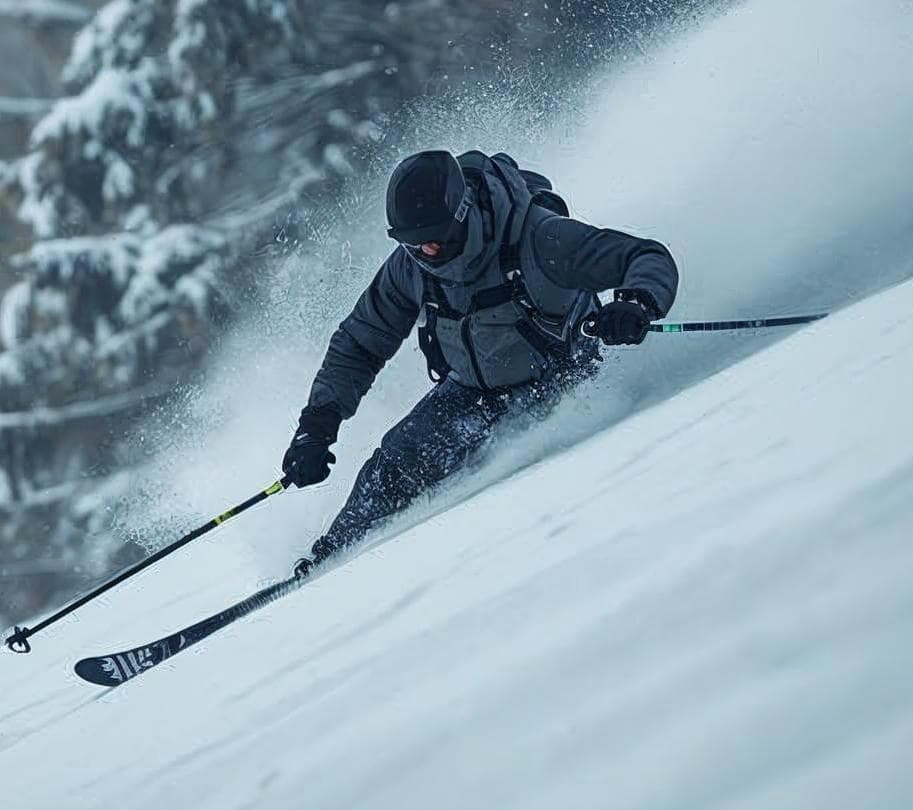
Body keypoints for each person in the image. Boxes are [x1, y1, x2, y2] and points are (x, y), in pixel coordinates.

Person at [275, 148, 677, 576]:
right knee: (395, 463)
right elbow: (360, 342)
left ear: (464, 213)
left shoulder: (540, 239)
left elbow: (645, 256)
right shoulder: (411, 266)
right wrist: (317, 426)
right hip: (473, 391)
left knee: (504, 474)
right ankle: (329, 558)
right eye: (413, 242)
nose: (427, 250)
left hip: (563, 376)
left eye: (436, 237)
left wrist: (636, 303)